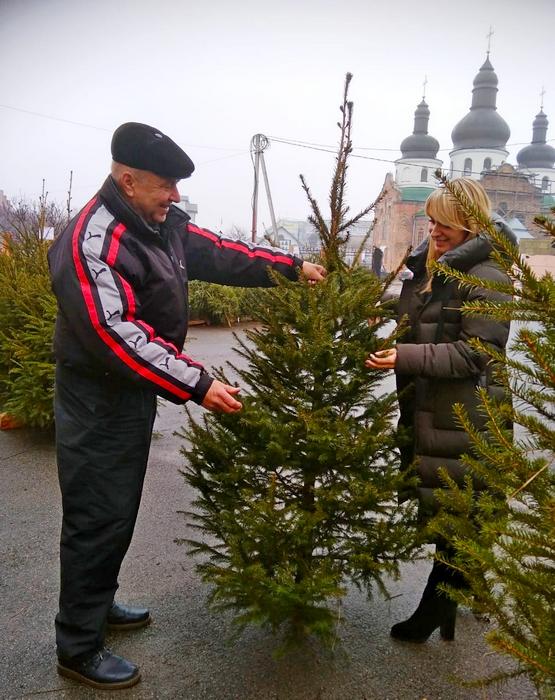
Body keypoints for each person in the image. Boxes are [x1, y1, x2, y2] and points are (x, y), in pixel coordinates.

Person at [48, 122, 326, 690]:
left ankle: (97, 606)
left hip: (130, 395)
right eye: (164, 185)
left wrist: (291, 269)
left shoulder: (160, 224)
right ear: (127, 180)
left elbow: (223, 255)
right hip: (97, 398)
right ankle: (77, 645)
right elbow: (115, 333)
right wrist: (197, 383)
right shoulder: (89, 243)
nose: (174, 195)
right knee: (97, 514)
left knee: (118, 508)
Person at [366, 178, 515, 643]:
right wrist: (373, 307)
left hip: (468, 412)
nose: (435, 229)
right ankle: (462, 596)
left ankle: (435, 609)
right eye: (431, 220)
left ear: (469, 221)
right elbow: (427, 317)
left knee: (458, 511)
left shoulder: (487, 273)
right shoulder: (438, 266)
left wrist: (403, 356)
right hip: (435, 407)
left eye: (444, 221)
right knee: (452, 510)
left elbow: (477, 354)